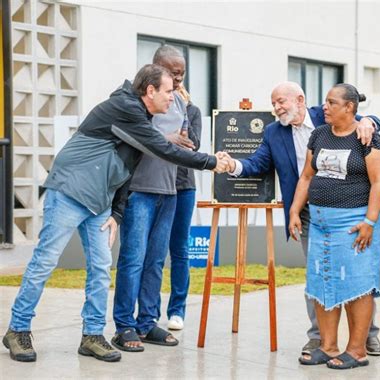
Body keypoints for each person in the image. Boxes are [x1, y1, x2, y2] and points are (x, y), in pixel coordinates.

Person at [2, 64, 227, 363]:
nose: (173, 98)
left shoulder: (141, 118)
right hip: (69, 192)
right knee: (45, 261)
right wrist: (211, 162)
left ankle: (93, 335)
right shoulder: (125, 107)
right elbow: (165, 149)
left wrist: (117, 214)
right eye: (168, 91)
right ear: (150, 90)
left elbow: (125, 170)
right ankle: (18, 329)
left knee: (100, 267)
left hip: (99, 202)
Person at [222, 81, 380, 357]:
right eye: (273, 103)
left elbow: (362, 119)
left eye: (280, 102)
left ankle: (366, 336)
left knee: (356, 275)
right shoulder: (274, 132)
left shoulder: (326, 115)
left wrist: (369, 120)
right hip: (311, 215)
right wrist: (231, 165)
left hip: (350, 214)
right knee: (319, 275)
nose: (276, 109)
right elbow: (259, 164)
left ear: (299, 100)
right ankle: (320, 338)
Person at [289, 83, 380, 369]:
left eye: (332, 103)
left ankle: (356, 350)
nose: (325, 107)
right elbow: (307, 176)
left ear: (350, 107)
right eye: (326, 102)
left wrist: (369, 221)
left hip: (354, 223)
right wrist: (295, 209)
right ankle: (327, 346)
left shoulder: (367, 137)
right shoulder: (319, 135)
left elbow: (379, 180)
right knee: (321, 282)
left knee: (358, 284)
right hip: (319, 224)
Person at [112, 46, 198, 351]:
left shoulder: (180, 104)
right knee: (132, 260)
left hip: (169, 191)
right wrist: (168, 141)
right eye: (171, 72)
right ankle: (124, 326)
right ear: (154, 69)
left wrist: (186, 147)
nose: (177, 79)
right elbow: (135, 138)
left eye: (180, 73)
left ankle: (148, 323)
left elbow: (184, 142)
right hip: (139, 191)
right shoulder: (134, 103)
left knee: (155, 262)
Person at [167, 85, 202, 331]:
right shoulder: (155, 111)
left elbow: (193, 144)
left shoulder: (193, 110)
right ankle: (147, 312)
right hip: (156, 185)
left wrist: (184, 112)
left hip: (183, 186)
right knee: (152, 251)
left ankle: (177, 310)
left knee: (179, 249)